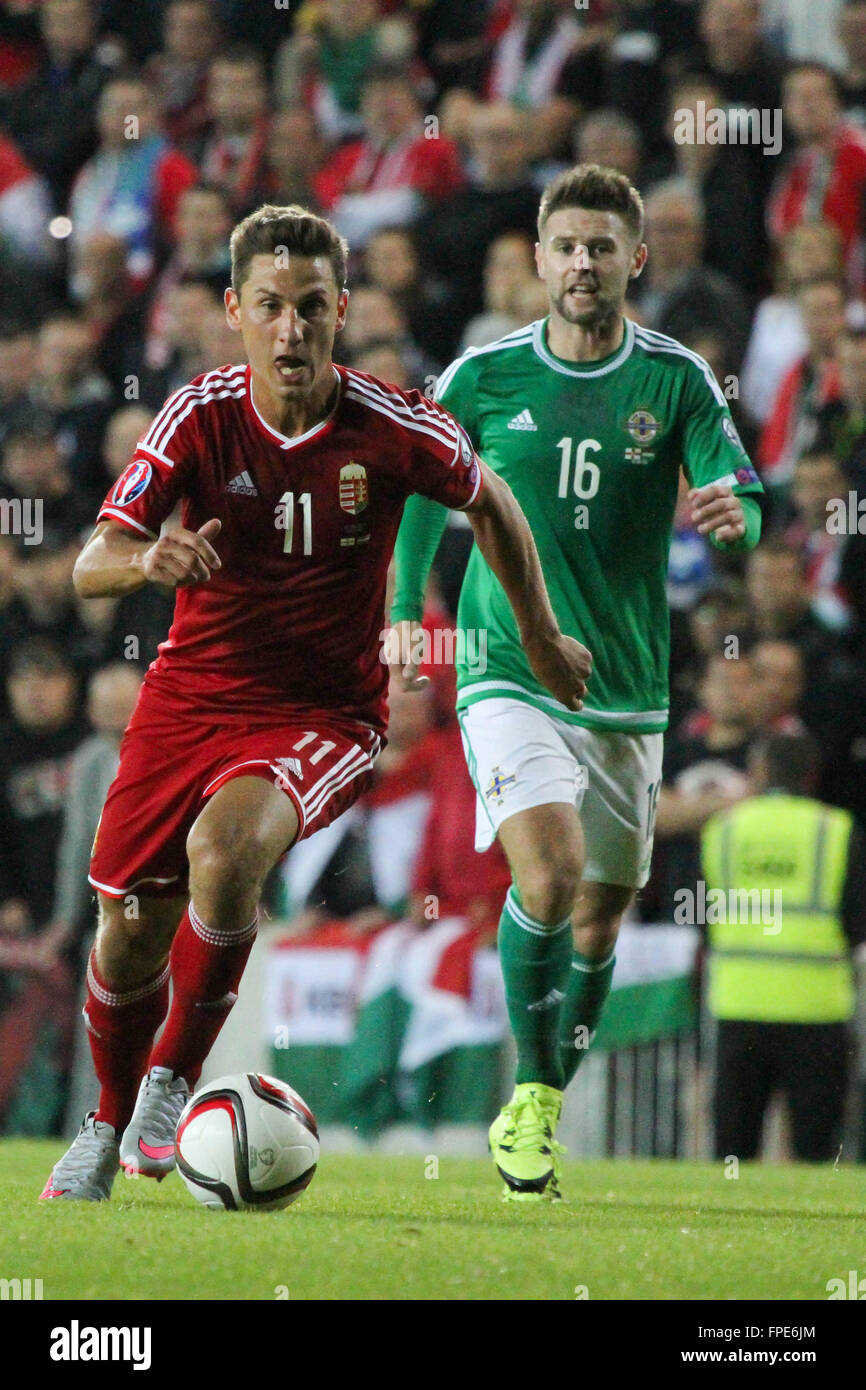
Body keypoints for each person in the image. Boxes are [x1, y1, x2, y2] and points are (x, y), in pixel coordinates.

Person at [39, 202, 591, 1202]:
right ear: (233, 313)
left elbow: (492, 501)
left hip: (322, 711)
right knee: (125, 928)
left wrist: (542, 636)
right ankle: (105, 1120)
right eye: (268, 307)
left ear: (340, 310)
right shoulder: (197, 415)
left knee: (225, 851)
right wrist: (145, 560)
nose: (289, 329)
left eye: (309, 307)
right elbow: (89, 560)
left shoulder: (391, 425)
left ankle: (169, 1081)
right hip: (187, 698)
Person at [391, 163, 764, 1202]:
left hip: (627, 686)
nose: (583, 264)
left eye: (602, 246)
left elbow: (742, 488)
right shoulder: (480, 376)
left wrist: (740, 516)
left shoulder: (677, 379)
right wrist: (397, 618)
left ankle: (541, 1098)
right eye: (565, 246)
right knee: (545, 877)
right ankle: (524, 1093)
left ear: (633, 258)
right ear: (540, 259)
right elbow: (422, 503)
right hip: (504, 666)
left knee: (600, 917)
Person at [701, 732, 866, 1162]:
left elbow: (699, 916)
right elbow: (857, 922)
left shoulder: (722, 830)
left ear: (758, 772)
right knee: (816, 1152)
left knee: (734, 1152)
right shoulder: (838, 830)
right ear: (812, 776)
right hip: (818, 1009)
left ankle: (727, 1226)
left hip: (738, 1005)